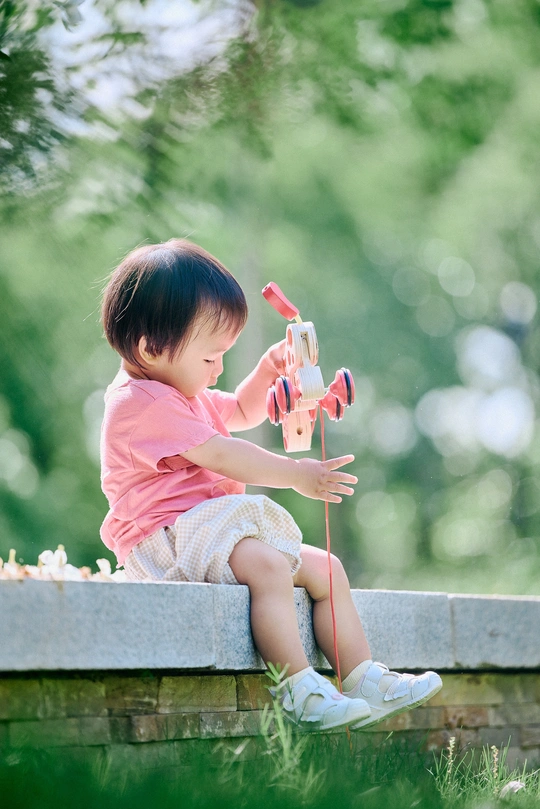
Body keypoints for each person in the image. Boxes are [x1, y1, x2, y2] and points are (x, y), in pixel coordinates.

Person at [100, 238, 442, 733]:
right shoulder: (142, 403)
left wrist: (266, 370)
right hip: (166, 540)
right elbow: (225, 454)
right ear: (150, 348)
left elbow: (241, 410)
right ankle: (300, 689)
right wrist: (296, 474)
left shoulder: (181, 391)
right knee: (267, 565)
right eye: (210, 358)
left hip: (208, 533)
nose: (218, 369)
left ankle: (361, 676)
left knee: (328, 569)